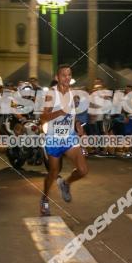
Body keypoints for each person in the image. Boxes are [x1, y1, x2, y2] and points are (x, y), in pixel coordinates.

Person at [39, 65, 88, 216]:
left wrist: (79, 127)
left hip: (69, 137)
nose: (67, 78)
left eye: (69, 75)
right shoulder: (51, 95)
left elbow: (73, 115)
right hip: (54, 138)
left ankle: (66, 183)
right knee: (53, 173)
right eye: (63, 75)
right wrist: (59, 112)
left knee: (82, 170)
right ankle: (44, 199)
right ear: (57, 77)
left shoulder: (73, 94)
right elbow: (43, 117)